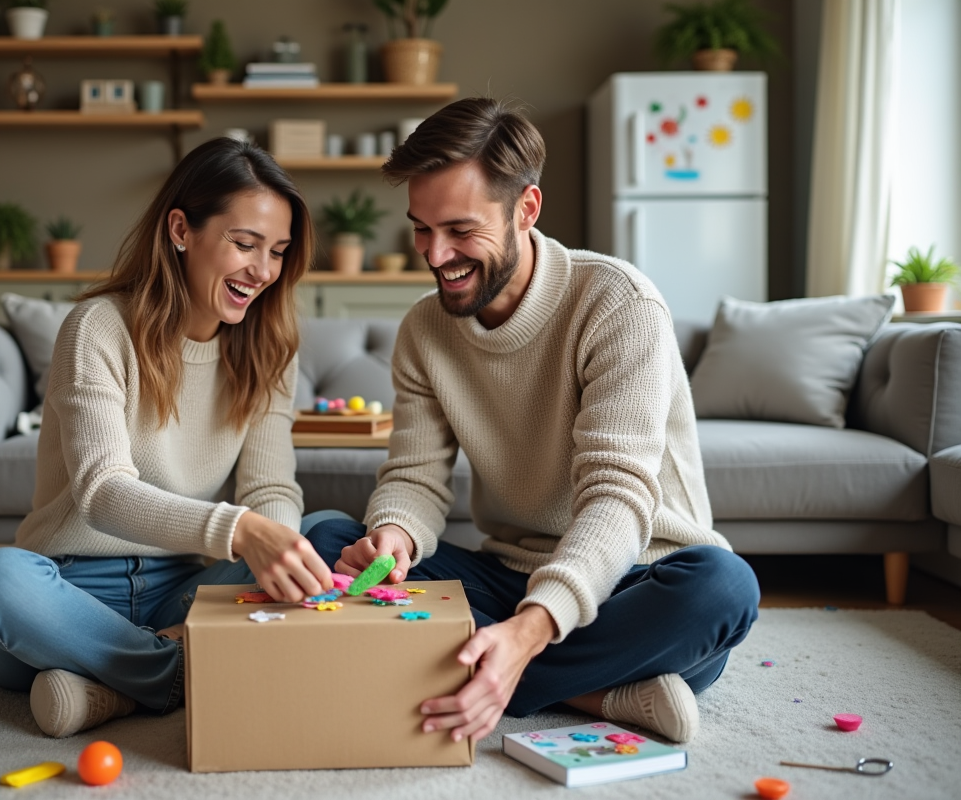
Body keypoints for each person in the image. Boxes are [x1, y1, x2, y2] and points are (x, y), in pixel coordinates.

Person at [306, 98, 760, 745]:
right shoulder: (423, 332)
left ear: (526, 209)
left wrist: (528, 631)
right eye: (420, 229)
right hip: (508, 573)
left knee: (722, 590)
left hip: (634, 569)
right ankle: (599, 689)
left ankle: (488, 668)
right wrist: (394, 537)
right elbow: (413, 477)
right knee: (326, 538)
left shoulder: (616, 302)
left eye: (460, 230)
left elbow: (617, 497)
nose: (435, 255)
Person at [0, 138, 333, 738]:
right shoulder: (98, 328)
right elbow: (102, 491)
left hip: (185, 592)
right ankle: (182, 670)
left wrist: (277, 542)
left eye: (279, 253)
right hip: (68, 595)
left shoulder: (268, 350)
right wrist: (241, 531)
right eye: (245, 244)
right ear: (181, 229)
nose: (263, 271)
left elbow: (268, 487)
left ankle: (116, 688)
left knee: (327, 532)